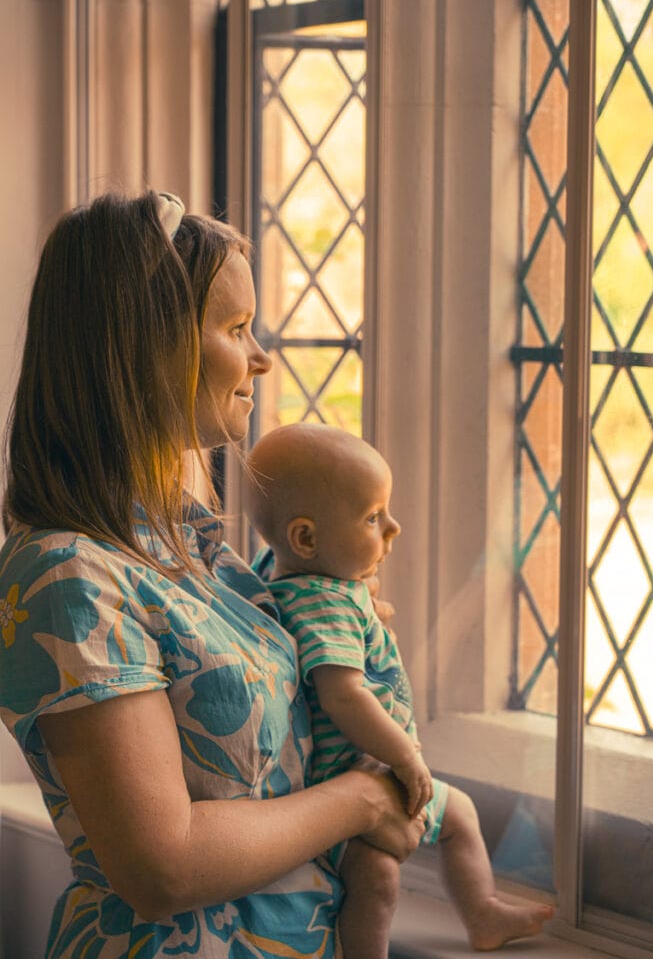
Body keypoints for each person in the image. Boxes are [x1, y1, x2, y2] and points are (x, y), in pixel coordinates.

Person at [0, 191, 425, 959]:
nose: (260, 356)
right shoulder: (68, 578)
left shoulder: (200, 555)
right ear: (143, 349)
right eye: (235, 329)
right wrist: (362, 800)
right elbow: (163, 866)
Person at [244, 423, 555, 956]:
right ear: (306, 538)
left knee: (459, 817)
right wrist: (407, 756)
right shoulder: (325, 603)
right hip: (353, 779)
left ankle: (482, 913)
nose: (395, 526)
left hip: (370, 775)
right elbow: (344, 696)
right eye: (372, 517)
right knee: (378, 880)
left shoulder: (289, 574)